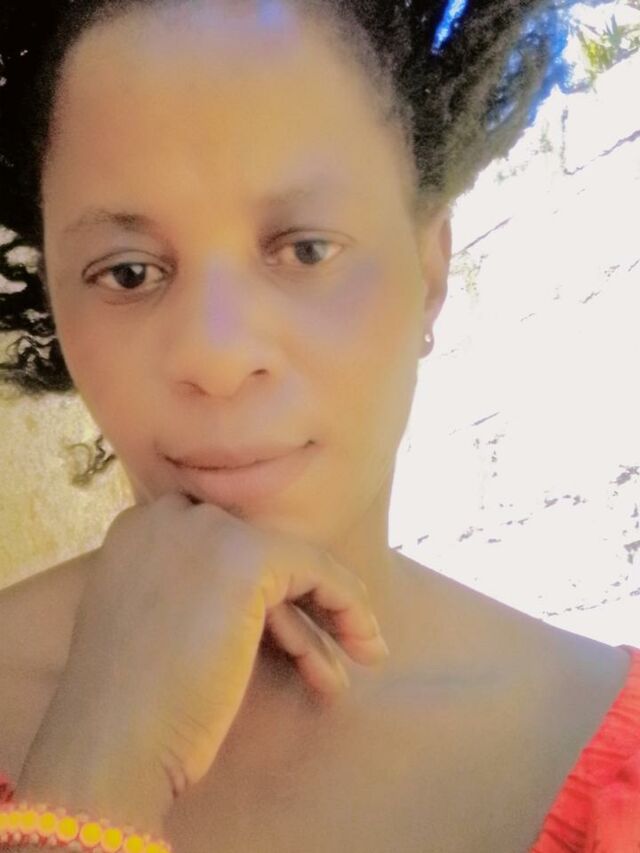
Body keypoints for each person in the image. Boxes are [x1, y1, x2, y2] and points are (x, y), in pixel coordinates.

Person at [0, 0, 638, 850]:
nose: (217, 356)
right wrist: (94, 769)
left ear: (429, 271)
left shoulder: (607, 765)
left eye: (305, 249)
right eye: (128, 272)